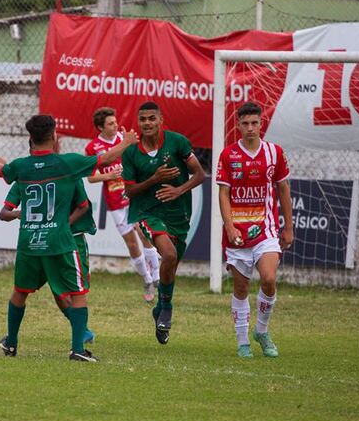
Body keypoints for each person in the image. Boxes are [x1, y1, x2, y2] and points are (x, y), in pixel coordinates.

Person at [0, 114, 136, 362]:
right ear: (54, 135)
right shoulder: (67, 163)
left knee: (20, 292)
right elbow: (106, 159)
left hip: (29, 242)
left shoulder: (21, 166)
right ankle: (77, 349)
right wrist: (127, 142)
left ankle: (11, 343)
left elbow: (1, 171)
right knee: (78, 292)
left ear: (30, 138)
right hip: (58, 241)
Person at [121, 101, 206, 344]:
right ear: (138, 123)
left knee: (172, 264)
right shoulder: (131, 153)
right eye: (143, 119)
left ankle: (159, 308)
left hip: (178, 214)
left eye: (151, 118)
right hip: (148, 212)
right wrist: (154, 179)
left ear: (161, 121)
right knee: (167, 255)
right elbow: (129, 191)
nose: (147, 123)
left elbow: (199, 174)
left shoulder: (177, 142)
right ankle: (167, 307)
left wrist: (179, 190)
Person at [215, 101, 293, 358]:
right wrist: (229, 227)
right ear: (238, 125)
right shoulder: (228, 155)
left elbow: (283, 189)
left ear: (262, 124)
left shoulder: (274, 153)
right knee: (241, 288)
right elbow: (223, 193)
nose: (250, 128)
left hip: (266, 230)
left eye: (254, 123)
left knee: (269, 279)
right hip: (237, 232)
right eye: (245, 123)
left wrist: (288, 228)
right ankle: (242, 341)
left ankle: (261, 330)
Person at [0, 178, 98, 345]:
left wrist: (63, 226)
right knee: (55, 288)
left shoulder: (67, 173)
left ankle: (80, 335)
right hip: (43, 241)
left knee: (72, 290)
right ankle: (80, 338)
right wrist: (18, 213)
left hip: (71, 239)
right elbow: (3, 213)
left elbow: (83, 206)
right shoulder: (26, 175)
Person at [85, 107, 160, 302]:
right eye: (110, 123)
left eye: (115, 121)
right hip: (115, 202)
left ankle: (158, 278)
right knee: (132, 243)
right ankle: (147, 280)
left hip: (134, 196)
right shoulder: (93, 147)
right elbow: (90, 177)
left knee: (144, 233)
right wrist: (109, 176)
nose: (115, 125)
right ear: (100, 127)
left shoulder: (125, 138)